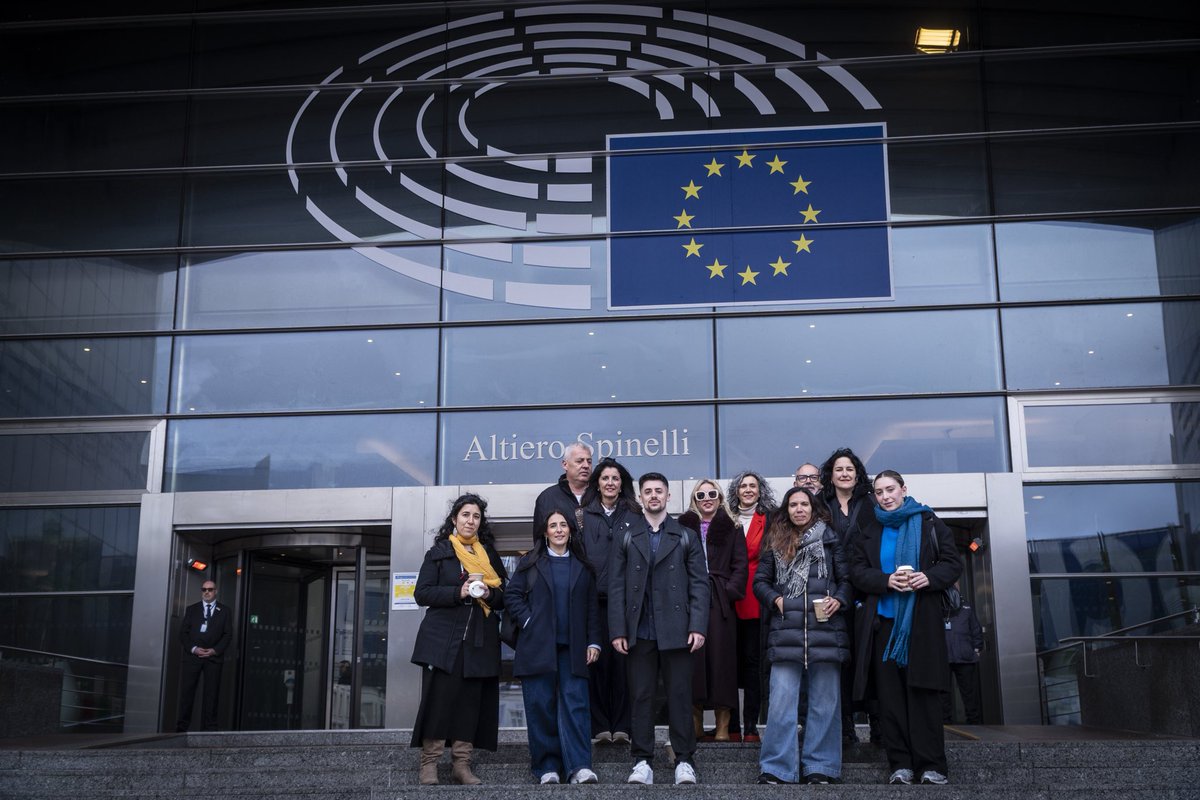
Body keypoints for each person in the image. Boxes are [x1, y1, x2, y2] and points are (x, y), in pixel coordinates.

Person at [851, 470, 962, 786]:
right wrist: (886, 580)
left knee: (924, 696)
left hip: (921, 624)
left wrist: (928, 578)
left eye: (890, 489)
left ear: (903, 489)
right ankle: (900, 765)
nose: (885, 496)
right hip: (883, 626)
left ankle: (932, 766)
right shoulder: (869, 527)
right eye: (880, 491)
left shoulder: (928, 522)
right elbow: (857, 572)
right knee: (891, 700)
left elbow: (953, 563)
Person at [609, 472, 709, 785]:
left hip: (677, 629)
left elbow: (699, 584)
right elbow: (615, 586)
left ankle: (684, 760)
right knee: (641, 697)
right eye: (648, 491)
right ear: (640, 498)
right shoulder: (627, 534)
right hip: (639, 629)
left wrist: (698, 625)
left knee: (680, 696)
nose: (654, 496)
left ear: (668, 496)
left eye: (659, 491)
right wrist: (618, 629)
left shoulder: (684, 534)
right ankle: (642, 761)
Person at [754, 487, 851, 785]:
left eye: (804, 504)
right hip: (785, 633)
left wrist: (840, 599)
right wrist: (776, 600)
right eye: (793, 504)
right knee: (781, 703)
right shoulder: (775, 541)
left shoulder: (831, 541)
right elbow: (760, 582)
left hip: (825, 631)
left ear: (814, 508)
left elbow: (846, 580)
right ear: (787, 510)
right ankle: (777, 768)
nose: (799, 509)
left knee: (825, 703)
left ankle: (820, 766)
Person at [411, 493, 507, 785]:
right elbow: (422, 593)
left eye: (476, 516)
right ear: (454, 519)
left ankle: (461, 765)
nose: (470, 520)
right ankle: (429, 764)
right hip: (443, 642)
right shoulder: (439, 552)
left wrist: (489, 593)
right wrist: (459, 592)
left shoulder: (488, 555)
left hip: (479, 642)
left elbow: (505, 597)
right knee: (439, 702)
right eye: (465, 515)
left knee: (469, 703)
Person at [507, 510, 602, 784]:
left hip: (573, 649)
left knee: (576, 707)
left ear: (571, 530)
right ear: (545, 532)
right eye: (553, 526)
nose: (559, 530)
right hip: (537, 647)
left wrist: (594, 640)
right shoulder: (531, 563)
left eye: (563, 525)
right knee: (541, 707)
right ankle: (547, 767)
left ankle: (579, 767)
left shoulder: (583, 566)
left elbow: (592, 608)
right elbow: (512, 595)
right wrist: (528, 621)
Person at [679, 479, 747, 742]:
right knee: (693, 661)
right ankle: (695, 724)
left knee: (722, 662)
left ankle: (722, 728)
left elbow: (740, 566)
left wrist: (728, 592)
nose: (707, 498)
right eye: (701, 494)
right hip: (689, 600)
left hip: (720, 600)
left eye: (712, 493)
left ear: (720, 497)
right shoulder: (682, 528)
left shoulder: (733, 527)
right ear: (694, 499)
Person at [818, 447, 878, 746]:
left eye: (849, 469)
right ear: (831, 474)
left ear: (857, 474)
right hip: (831, 592)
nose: (844, 473)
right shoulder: (819, 505)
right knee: (837, 661)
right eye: (839, 469)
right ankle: (844, 729)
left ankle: (879, 726)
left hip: (867, 590)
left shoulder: (871, 503)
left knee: (870, 659)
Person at [579, 457, 638, 744]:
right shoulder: (583, 516)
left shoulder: (635, 516)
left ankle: (624, 726)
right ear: (597, 484)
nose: (611, 483)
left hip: (627, 604)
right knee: (597, 664)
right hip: (593, 602)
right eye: (605, 478)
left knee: (625, 666)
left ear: (622, 484)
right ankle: (600, 726)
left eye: (616, 479)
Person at [726, 469, 777, 742]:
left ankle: (751, 727)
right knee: (729, 664)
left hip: (756, 600)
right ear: (736, 491)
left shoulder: (768, 520)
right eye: (743, 486)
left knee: (753, 663)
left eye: (752, 486)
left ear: (760, 491)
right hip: (727, 600)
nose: (747, 490)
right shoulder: (727, 519)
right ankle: (731, 726)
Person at [176, 579, 232, 732]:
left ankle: (210, 729)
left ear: (216, 591)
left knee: (212, 694)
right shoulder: (192, 609)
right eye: (204, 589)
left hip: (213, 658)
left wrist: (214, 650)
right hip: (192, 658)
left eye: (210, 589)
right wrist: (194, 649)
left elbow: (228, 635)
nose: (207, 592)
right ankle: (181, 728)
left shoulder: (225, 611)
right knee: (187, 692)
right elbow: (183, 633)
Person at [532, 441, 592, 539]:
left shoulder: (600, 495)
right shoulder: (547, 498)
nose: (586, 465)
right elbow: (540, 542)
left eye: (589, 461)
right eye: (579, 461)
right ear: (565, 464)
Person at [943, 588, 984, 724]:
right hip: (945, 657)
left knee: (969, 693)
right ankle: (945, 724)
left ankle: (974, 723)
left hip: (965, 657)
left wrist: (977, 649)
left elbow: (975, 629)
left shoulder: (966, 608)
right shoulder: (937, 608)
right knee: (944, 694)